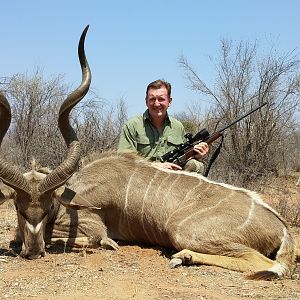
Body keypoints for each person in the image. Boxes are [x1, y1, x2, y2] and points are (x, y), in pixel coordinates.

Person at [117, 79, 209, 172]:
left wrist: (196, 155)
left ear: (170, 101)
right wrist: (153, 166)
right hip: (143, 178)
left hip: (171, 178)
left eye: (161, 99)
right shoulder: (132, 126)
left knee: (195, 165)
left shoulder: (178, 127)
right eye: (152, 99)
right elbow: (124, 162)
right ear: (146, 101)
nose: (157, 104)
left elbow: (184, 155)